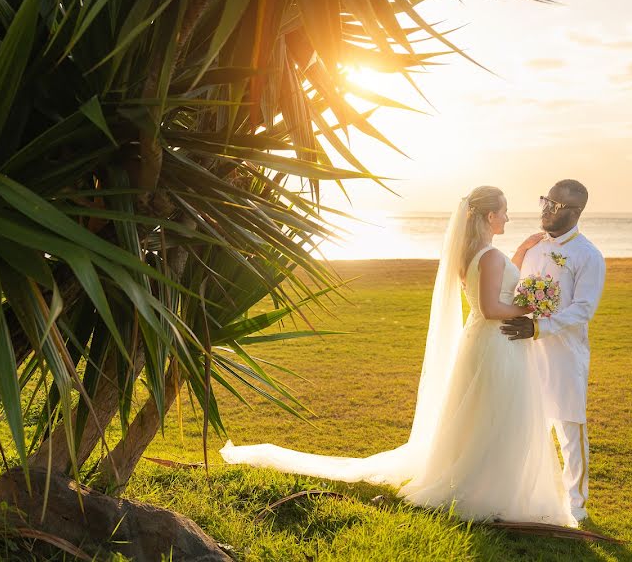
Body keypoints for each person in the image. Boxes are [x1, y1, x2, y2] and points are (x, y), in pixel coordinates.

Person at [220, 186, 575, 526]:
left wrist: (523, 251)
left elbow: (494, 282)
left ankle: (484, 480)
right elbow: (491, 305)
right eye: (505, 212)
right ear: (489, 215)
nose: (509, 218)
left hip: (483, 340)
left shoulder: (474, 254)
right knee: (498, 413)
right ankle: (490, 489)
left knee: (483, 412)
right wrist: (528, 306)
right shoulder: (490, 256)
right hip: (498, 341)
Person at [501, 179, 606, 523]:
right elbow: (513, 287)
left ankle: (576, 503)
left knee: (569, 428)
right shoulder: (533, 246)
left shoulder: (588, 255)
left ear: (575, 212)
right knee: (526, 424)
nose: (545, 209)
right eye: (546, 200)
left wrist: (540, 327)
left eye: (555, 205)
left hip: (563, 355)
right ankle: (521, 493)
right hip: (524, 351)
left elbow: (583, 310)